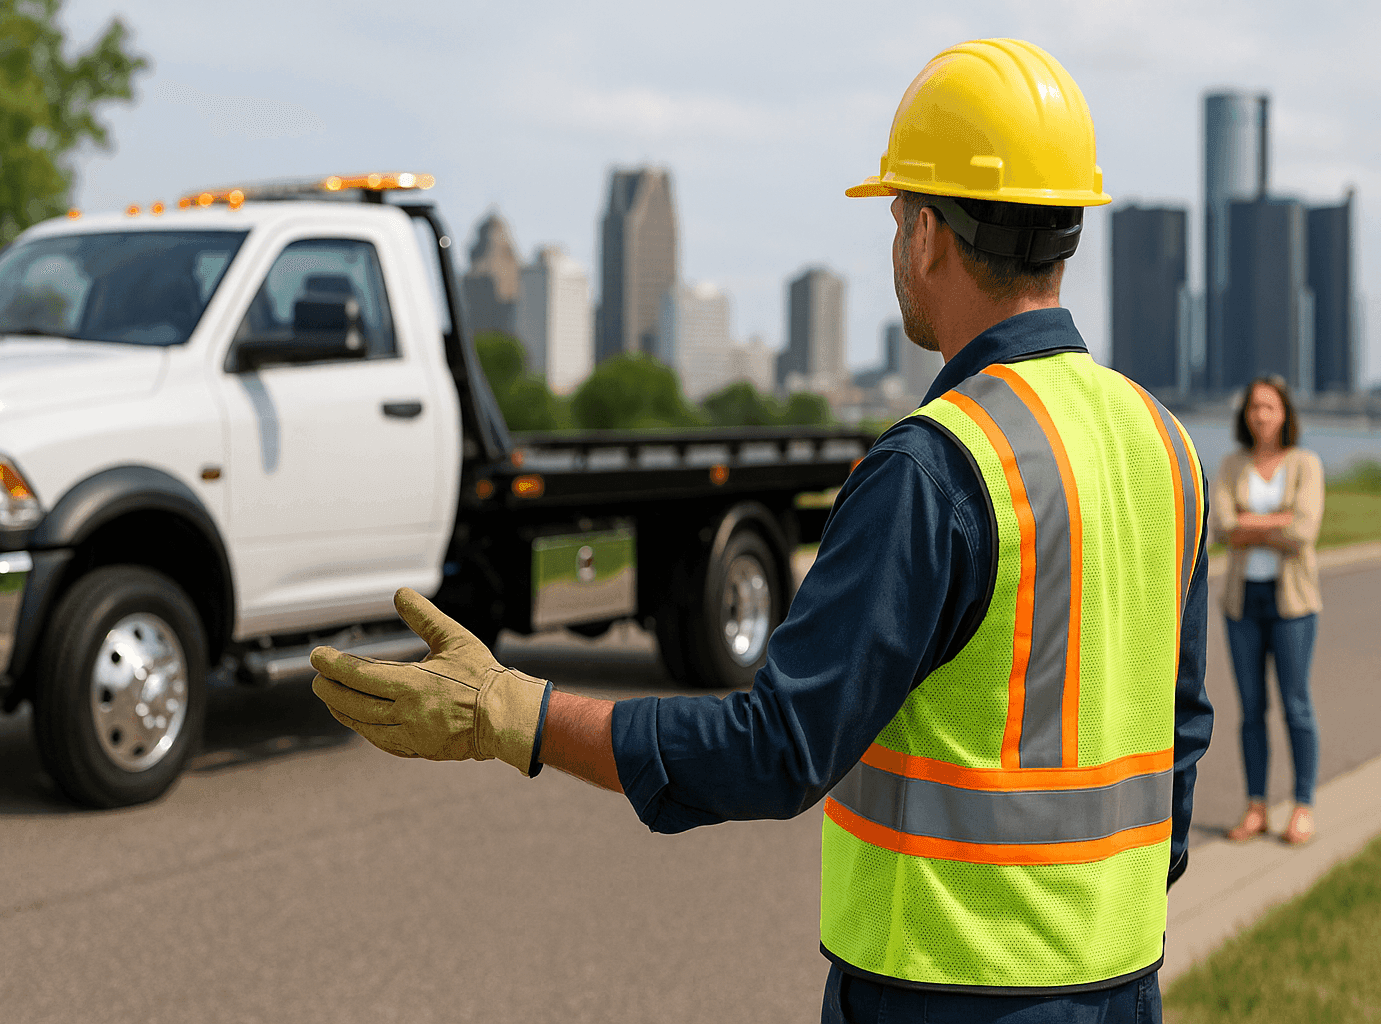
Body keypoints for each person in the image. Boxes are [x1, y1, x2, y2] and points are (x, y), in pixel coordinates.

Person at [311, 38, 1213, 1024]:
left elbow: (779, 745)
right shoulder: (1164, 443)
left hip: (951, 994)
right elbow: (1180, 730)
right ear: (1067, 230)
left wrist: (512, 713)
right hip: (1122, 989)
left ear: (926, 236)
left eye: (900, 212)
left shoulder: (940, 465)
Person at [1213, 376, 1324, 846]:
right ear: (1246, 415)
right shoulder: (1231, 463)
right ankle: (1256, 805)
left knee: (1296, 705)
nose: (1261, 415)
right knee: (1251, 709)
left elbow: (1304, 530)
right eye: (1254, 407)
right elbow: (1221, 526)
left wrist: (1248, 522)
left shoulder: (1306, 463)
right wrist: (1277, 520)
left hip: (1292, 603)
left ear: (1285, 414)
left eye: (1270, 407)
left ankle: (1302, 805)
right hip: (1243, 601)